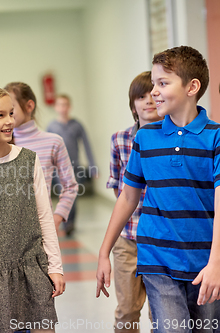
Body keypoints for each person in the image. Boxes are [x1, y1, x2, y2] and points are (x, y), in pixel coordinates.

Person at [96, 46, 220, 333]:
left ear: (192, 87)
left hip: (205, 260)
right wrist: (104, 252)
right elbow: (128, 197)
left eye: (163, 83)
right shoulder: (146, 137)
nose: (154, 92)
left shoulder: (215, 137)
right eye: (153, 84)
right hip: (157, 257)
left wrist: (216, 262)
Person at [0, 84, 65, 333]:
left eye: (11, 114)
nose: (9, 121)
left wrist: (55, 267)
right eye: (0, 115)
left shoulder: (29, 160)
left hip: (35, 269)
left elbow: (44, 217)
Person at [106, 71, 162, 332]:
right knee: (127, 309)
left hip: (162, 238)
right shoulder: (120, 140)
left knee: (160, 311)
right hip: (127, 237)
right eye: (141, 96)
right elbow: (120, 190)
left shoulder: (172, 138)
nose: (149, 100)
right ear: (132, 105)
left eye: (153, 94)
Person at [4, 82, 77, 232]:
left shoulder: (53, 142)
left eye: (11, 110)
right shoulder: (1, 144)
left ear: (29, 106)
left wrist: (56, 218)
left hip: (42, 230)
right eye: (3, 112)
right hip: (9, 232)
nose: (7, 117)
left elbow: (70, 186)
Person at [46, 94, 96, 235]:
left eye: (65, 105)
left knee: (73, 195)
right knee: (64, 193)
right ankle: (66, 222)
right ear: (56, 107)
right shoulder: (51, 126)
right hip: (57, 168)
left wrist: (93, 166)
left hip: (74, 167)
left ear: (69, 107)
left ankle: (71, 222)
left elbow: (87, 145)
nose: (63, 108)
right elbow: (47, 148)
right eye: (60, 105)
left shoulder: (77, 125)